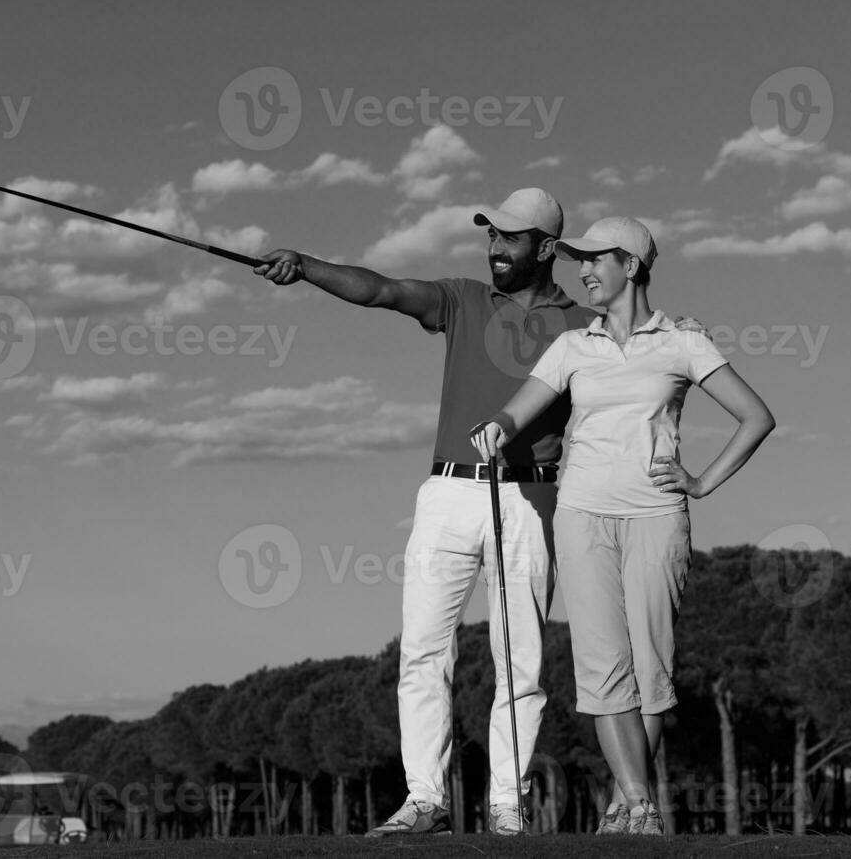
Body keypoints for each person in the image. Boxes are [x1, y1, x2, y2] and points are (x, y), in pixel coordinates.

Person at [254, 189, 582, 836]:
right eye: (490, 234)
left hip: (530, 496)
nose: (494, 247)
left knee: (519, 661)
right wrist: (307, 266)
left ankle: (507, 807)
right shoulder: (461, 299)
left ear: (545, 248)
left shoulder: (585, 326)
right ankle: (424, 800)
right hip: (447, 494)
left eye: (509, 238)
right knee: (423, 653)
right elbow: (379, 290)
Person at [470, 216, 776, 836]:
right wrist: (499, 426)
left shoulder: (684, 342)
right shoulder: (573, 346)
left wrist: (701, 482)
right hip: (581, 515)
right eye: (577, 259)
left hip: (658, 517)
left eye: (593, 259)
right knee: (602, 667)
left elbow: (756, 417)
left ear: (631, 266)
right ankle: (640, 803)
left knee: (651, 669)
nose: (581, 269)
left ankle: (625, 803)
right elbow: (520, 407)